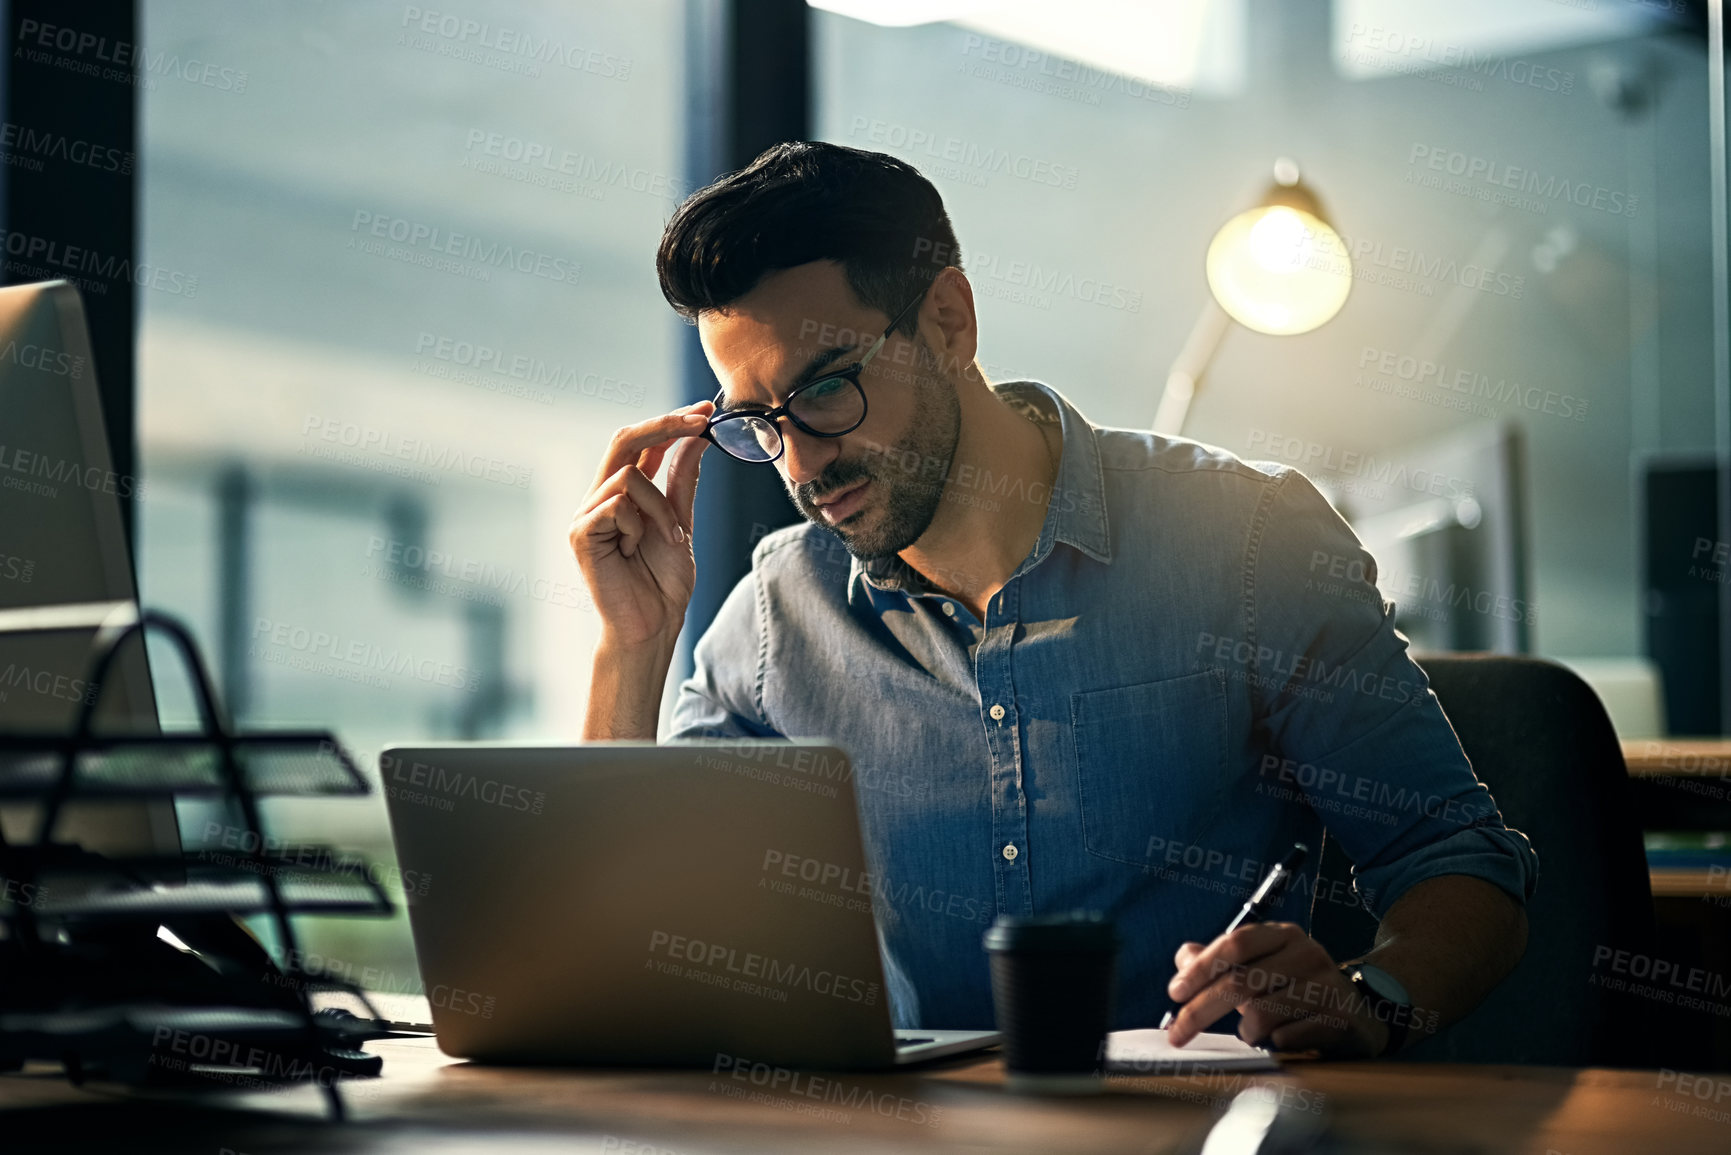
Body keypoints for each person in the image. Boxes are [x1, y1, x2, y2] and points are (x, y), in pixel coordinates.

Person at [568, 140, 1536, 1057]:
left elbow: (1462, 864)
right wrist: (633, 647)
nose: (804, 462)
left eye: (826, 389)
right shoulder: (781, 615)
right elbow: (615, 957)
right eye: (759, 423)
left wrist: (1368, 1001)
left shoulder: (1246, 541)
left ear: (949, 321)